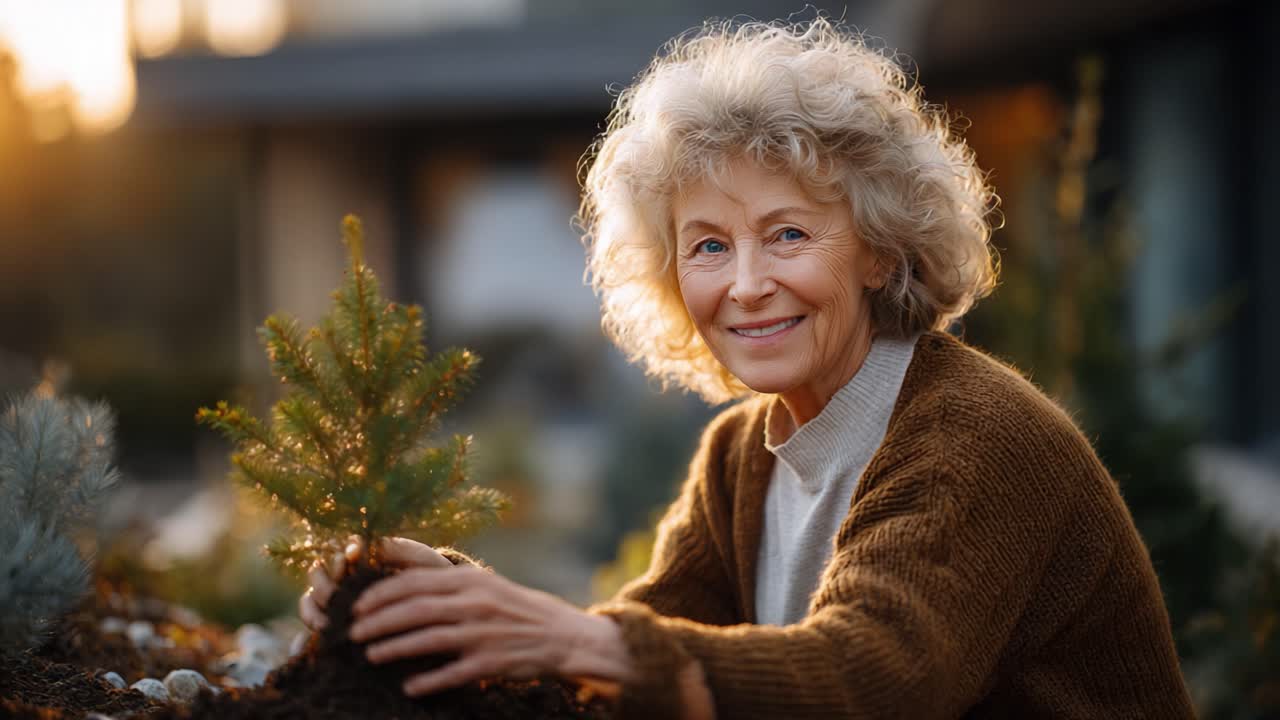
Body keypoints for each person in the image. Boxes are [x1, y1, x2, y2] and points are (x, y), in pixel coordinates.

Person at [300, 17, 1197, 719]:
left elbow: (879, 680)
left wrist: (571, 641)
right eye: (708, 246)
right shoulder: (742, 456)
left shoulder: (978, 437)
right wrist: (463, 605)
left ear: (881, 251)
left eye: (789, 235)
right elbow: (645, 661)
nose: (747, 285)